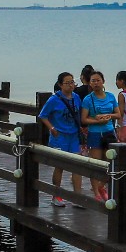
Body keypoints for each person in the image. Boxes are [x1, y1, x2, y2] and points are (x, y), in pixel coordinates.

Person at [37, 72, 83, 204]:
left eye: (72, 82)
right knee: (60, 166)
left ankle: (77, 197)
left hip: (74, 135)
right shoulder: (54, 99)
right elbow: (43, 115)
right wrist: (51, 128)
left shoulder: (76, 98)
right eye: (67, 83)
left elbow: (79, 114)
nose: (70, 85)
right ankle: (56, 195)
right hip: (59, 136)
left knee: (77, 166)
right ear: (60, 85)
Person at [78, 68, 119, 201]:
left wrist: (108, 116)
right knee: (96, 164)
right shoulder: (87, 99)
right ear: (89, 83)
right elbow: (84, 119)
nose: (96, 83)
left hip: (109, 132)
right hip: (95, 134)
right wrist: (96, 120)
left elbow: (118, 114)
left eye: (98, 80)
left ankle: (102, 186)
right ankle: (96, 192)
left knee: (111, 162)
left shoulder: (111, 96)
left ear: (103, 81)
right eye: (93, 81)